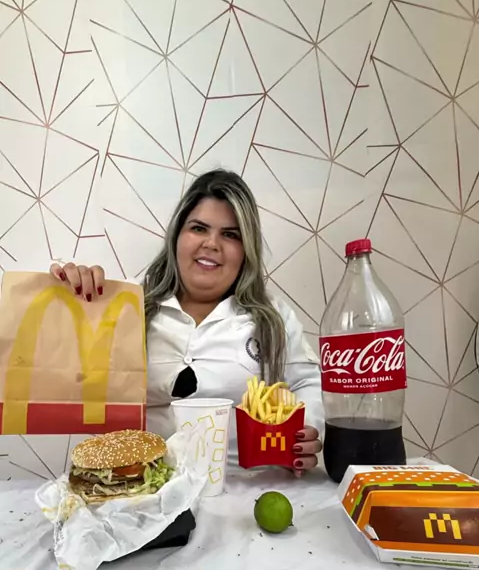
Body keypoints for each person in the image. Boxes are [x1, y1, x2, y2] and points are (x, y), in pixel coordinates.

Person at [51, 169, 323, 474]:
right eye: (199, 228)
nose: (212, 243)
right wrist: (73, 299)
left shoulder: (273, 317)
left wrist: (308, 430)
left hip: (246, 486)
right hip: (143, 483)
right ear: (177, 237)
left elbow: (306, 382)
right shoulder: (128, 307)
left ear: (246, 250)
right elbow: (74, 378)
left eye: (230, 234)